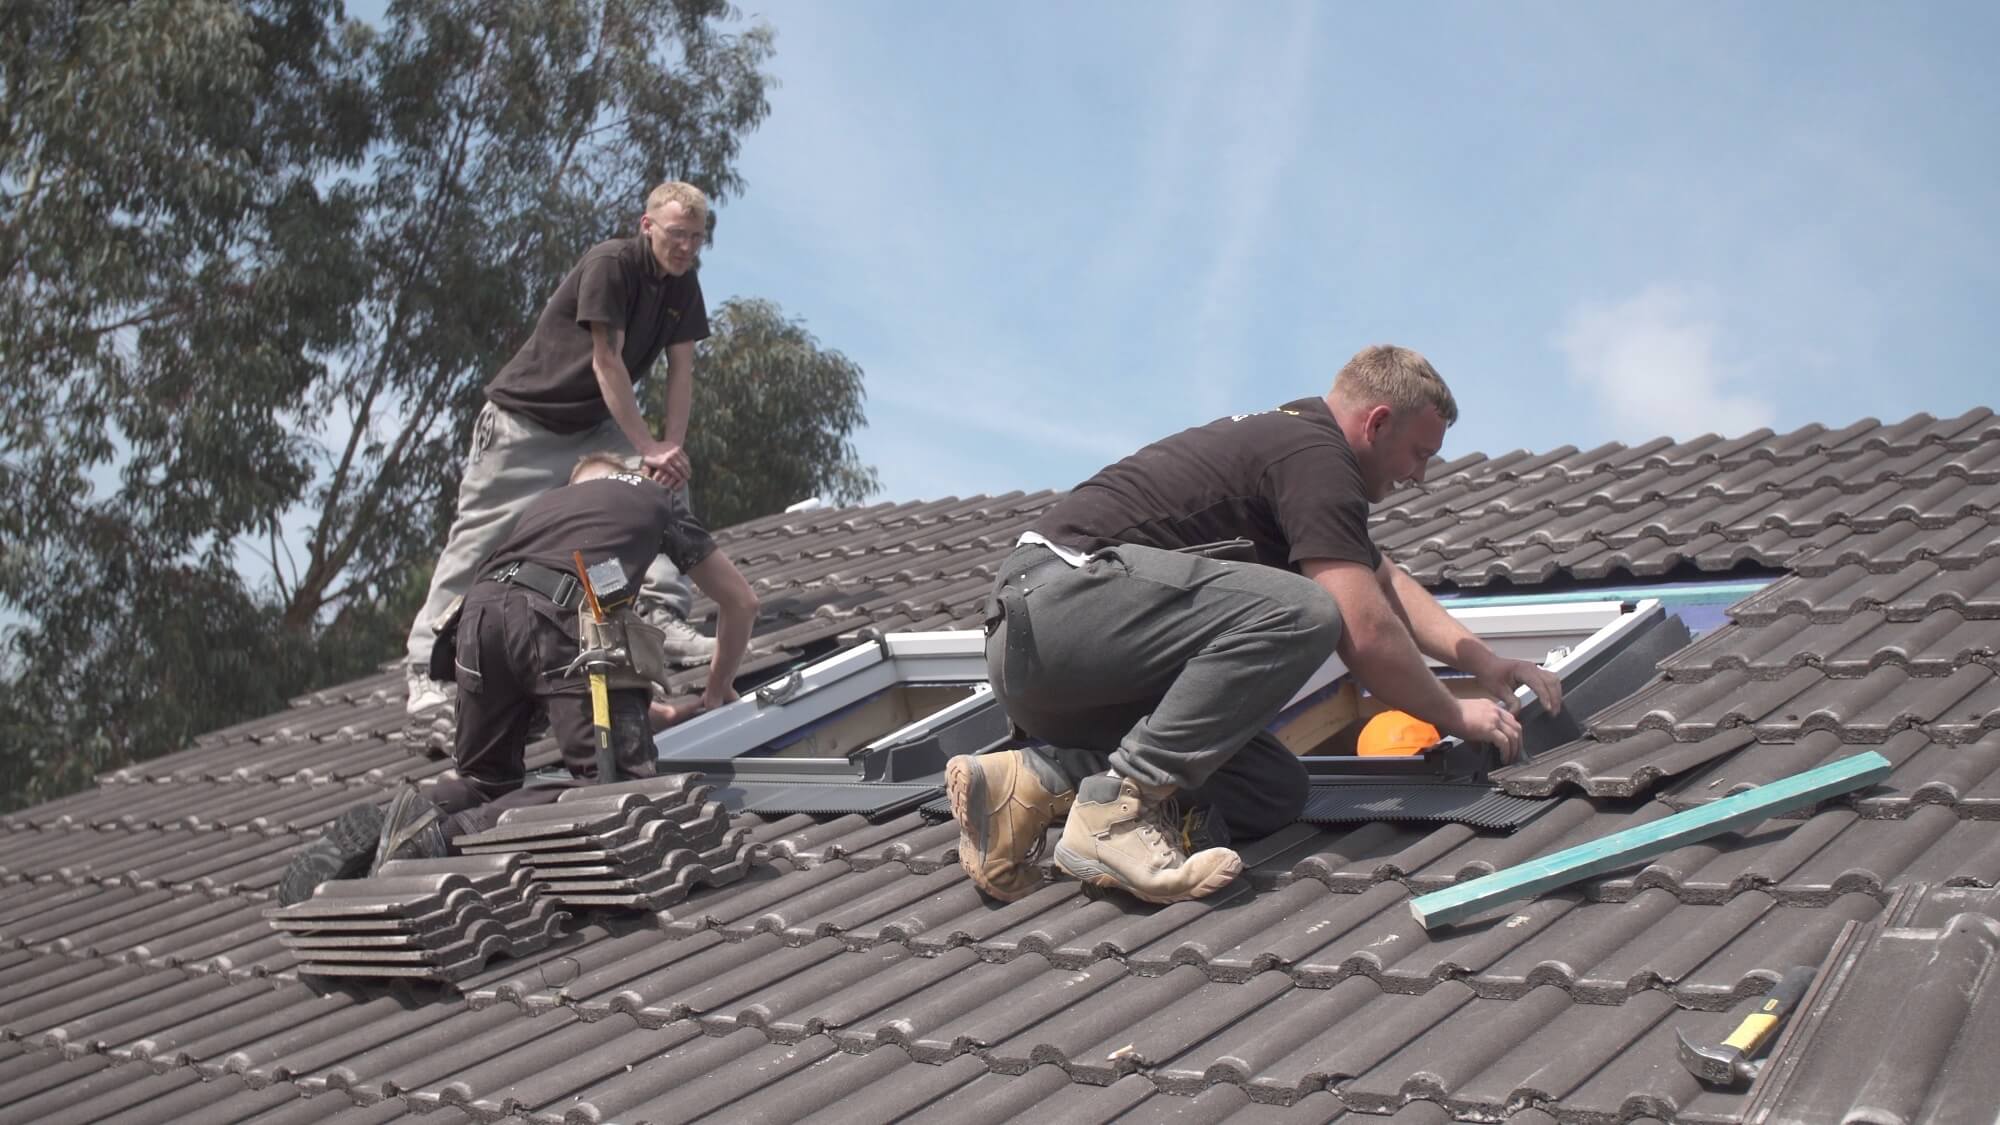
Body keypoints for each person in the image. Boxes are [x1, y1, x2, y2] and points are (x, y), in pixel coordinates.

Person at [948, 345, 1564, 905]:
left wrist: (1485, 663)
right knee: (1306, 610)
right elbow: (1366, 632)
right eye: (1419, 453)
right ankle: (1117, 813)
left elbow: (1385, 581)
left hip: (1062, 662)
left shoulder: (1298, 455)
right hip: (1057, 609)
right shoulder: (1317, 457)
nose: (1419, 476)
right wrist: (1454, 714)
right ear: (1376, 423)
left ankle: (1028, 783)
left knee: (1269, 789)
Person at [277, 453, 758, 906]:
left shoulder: (547, 512)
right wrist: (717, 690)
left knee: (484, 779)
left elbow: (600, 678)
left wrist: (666, 714)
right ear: (618, 475)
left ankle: (394, 819)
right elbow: (741, 603)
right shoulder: (652, 497)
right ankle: (438, 838)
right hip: (556, 614)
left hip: (477, 619)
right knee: (614, 790)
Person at [403, 180, 722, 723]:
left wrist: (667, 448)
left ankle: (660, 611)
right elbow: (606, 359)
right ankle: (424, 674)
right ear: (647, 227)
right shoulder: (611, 264)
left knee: (661, 487)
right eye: (676, 235)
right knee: (482, 538)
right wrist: (647, 444)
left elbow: (682, 370)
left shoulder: (682, 284)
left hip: (595, 425)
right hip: (525, 425)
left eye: (697, 237)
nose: (686, 247)